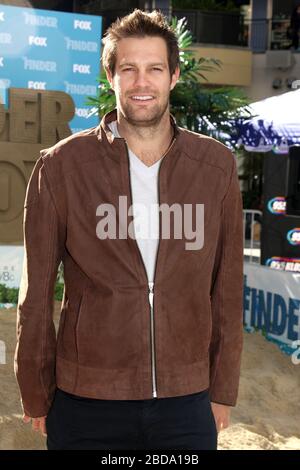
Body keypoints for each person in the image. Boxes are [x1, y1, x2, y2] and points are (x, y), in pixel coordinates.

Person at [15, 9, 244, 450]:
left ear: (174, 75)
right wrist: (35, 389)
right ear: (111, 78)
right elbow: (36, 295)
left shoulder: (216, 167)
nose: (143, 82)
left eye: (155, 68)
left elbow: (228, 288)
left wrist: (222, 388)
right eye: (129, 69)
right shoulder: (61, 167)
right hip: (88, 398)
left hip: (187, 399)